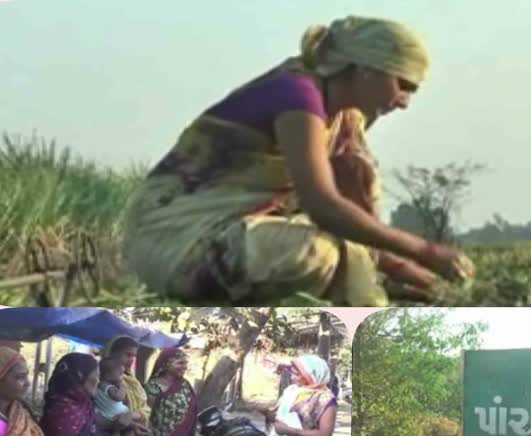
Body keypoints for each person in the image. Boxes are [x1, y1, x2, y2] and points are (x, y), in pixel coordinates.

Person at [123, 15, 475, 306]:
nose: (404, 102)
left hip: (236, 233)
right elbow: (321, 205)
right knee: (316, 254)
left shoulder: (343, 121)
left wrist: (403, 268)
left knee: (356, 187)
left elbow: (354, 213)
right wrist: (426, 251)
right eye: (403, 84)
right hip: (178, 240)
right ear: (367, 70)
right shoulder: (297, 96)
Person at [95, 357, 145, 436]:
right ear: (108, 376)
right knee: (122, 430)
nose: (122, 377)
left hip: (106, 413)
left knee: (117, 432)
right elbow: (119, 397)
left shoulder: (98, 386)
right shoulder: (109, 387)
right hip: (116, 414)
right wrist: (123, 386)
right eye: (120, 374)